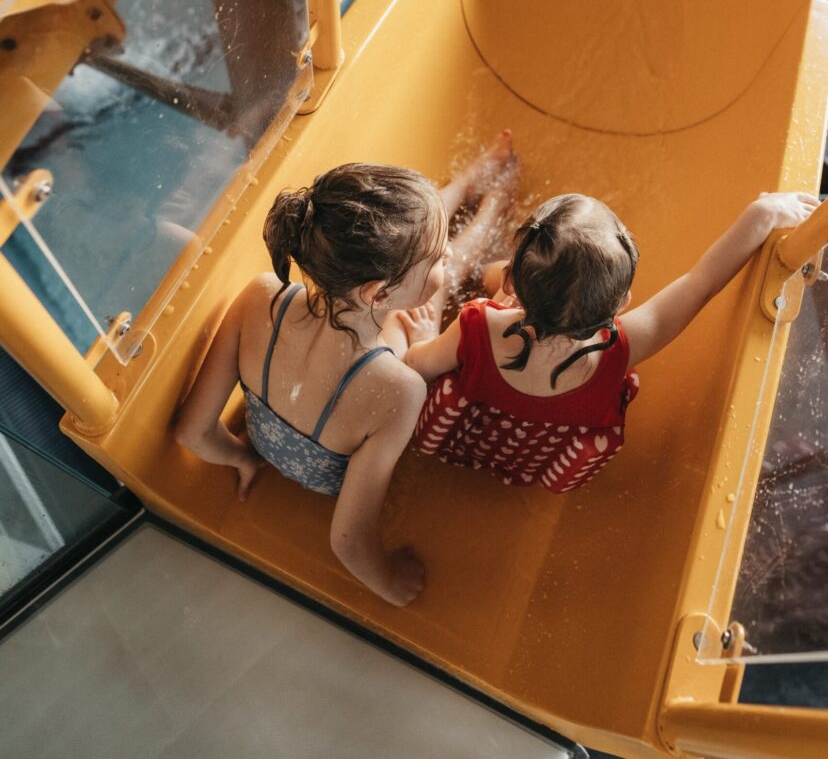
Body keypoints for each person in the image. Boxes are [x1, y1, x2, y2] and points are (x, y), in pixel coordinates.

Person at [174, 140, 517, 607]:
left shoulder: (260, 297)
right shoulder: (398, 390)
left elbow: (193, 432)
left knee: (415, 257)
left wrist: (244, 458)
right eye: (433, 259)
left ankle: (458, 192)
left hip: (272, 439)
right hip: (340, 438)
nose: (440, 261)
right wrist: (390, 585)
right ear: (377, 295)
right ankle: (490, 201)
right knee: (434, 298)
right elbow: (349, 541)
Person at [401, 189, 819, 491]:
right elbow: (700, 285)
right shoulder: (624, 347)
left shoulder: (476, 325)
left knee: (475, 284)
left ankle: (489, 217)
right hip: (530, 462)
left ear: (515, 281)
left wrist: (423, 336)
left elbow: (416, 366)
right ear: (622, 304)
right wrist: (760, 216)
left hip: (462, 441)